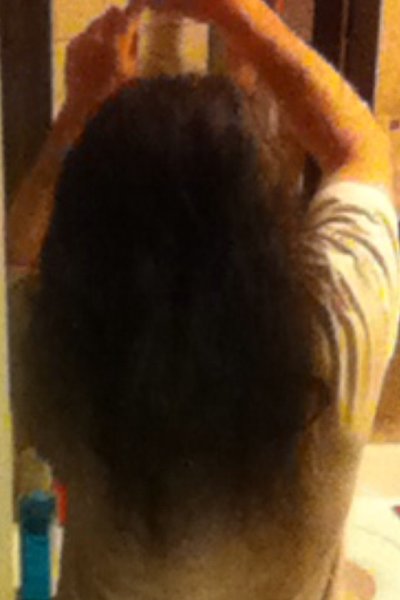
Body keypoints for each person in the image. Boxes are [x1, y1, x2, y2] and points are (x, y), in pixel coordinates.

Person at [8, 1, 400, 599]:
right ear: (263, 220)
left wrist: (78, 112)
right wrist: (241, 17)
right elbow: (361, 150)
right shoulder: (332, 339)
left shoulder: (64, 358)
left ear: (82, 243)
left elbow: (16, 256)